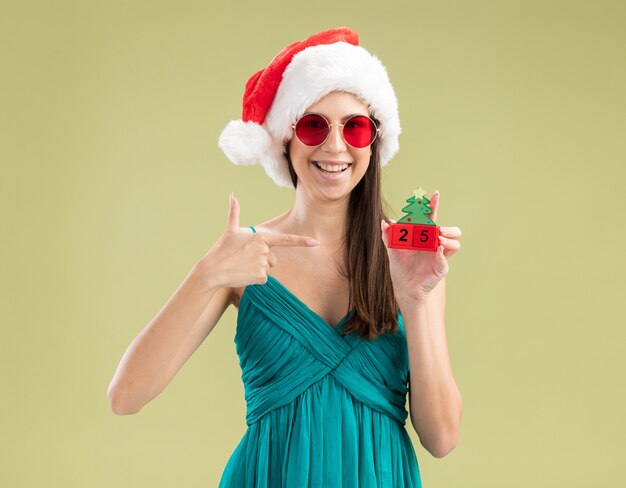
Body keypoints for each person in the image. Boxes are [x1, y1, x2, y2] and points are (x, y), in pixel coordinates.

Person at [108, 27, 463, 487]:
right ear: (285, 140)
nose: (335, 146)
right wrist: (206, 275)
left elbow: (442, 438)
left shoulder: (411, 259)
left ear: (373, 143)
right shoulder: (246, 256)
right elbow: (126, 396)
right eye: (314, 125)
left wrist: (414, 298)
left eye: (354, 127)